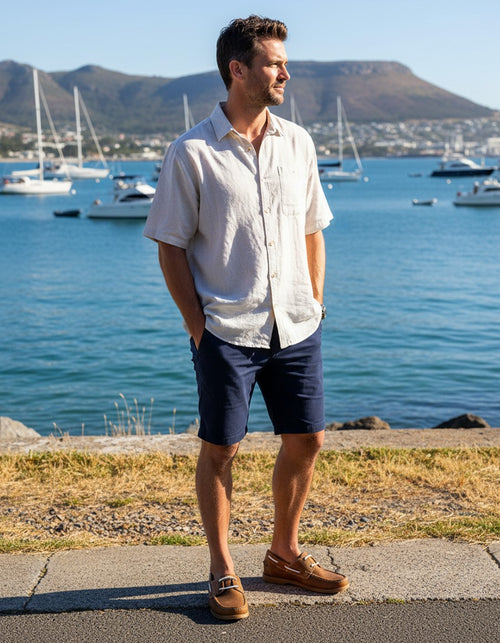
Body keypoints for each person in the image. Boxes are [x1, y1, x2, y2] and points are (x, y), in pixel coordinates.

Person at [144, 15, 349, 621]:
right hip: (226, 331)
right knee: (221, 448)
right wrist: (196, 325)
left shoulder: (300, 143)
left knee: (307, 440)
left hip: (297, 325)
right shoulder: (192, 153)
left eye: (283, 62)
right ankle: (221, 568)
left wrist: (314, 299)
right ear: (239, 70)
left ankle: (283, 554)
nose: (285, 72)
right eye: (273, 63)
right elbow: (170, 244)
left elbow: (314, 229)